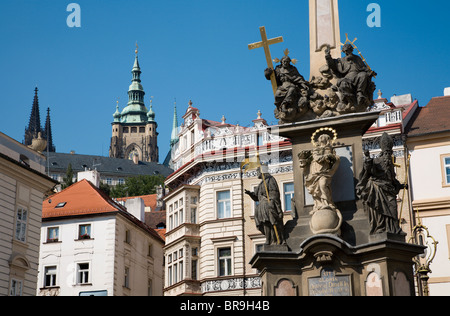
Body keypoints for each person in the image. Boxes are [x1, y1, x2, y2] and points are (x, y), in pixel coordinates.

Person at [356, 133, 406, 235]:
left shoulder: (390, 165)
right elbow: (369, 170)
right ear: (382, 153)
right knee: (381, 211)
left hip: (389, 191)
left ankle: (395, 229)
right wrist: (368, 158)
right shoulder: (377, 160)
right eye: (386, 153)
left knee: (393, 208)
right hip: (379, 189)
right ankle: (382, 227)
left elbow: (392, 179)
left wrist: (401, 185)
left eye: (389, 153)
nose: (388, 155)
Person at [325, 43, 376, 110]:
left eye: (348, 50)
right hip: (348, 77)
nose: (346, 52)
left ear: (351, 50)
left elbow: (364, 68)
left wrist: (370, 72)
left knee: (363, 75)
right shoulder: (341, 60)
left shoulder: (357, 58)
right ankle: (349, 101)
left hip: (358, 75)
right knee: (343, 83)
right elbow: (332, 65)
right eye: (345, 51)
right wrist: (328, 56)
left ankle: (360, 93)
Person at [245, 166, 285, 245]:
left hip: (269, 205)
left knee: (273, 222)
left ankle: (277, 239)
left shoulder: (270, 180)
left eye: (258, 171)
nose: (257, 173)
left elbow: (275, 193)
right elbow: (256, 197)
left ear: (262, 172)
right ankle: (268, 239)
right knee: (265, 222)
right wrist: (250, 193)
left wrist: (271, 201)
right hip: (262, 206)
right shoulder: (261, 183)